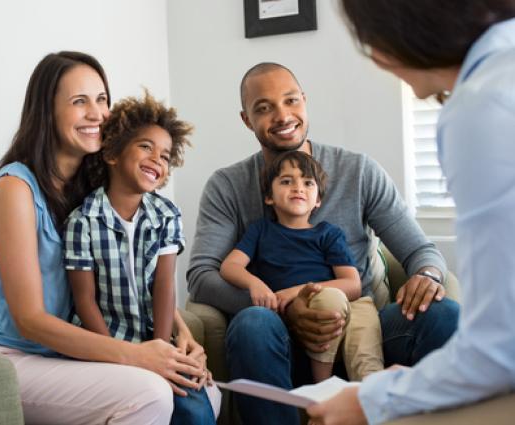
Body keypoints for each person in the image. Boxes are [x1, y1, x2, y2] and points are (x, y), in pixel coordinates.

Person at [186, 61, 460, 424]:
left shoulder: (359, 171)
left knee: (443, 314)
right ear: (246, 119)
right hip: (275, 333)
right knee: (253, 324)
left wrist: (429, 275)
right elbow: (202, 275)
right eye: (264, 108)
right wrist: (284, 307)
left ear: (305, 101)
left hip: (363, 324)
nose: (283, 115)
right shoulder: (228, 186)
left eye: (291, 101)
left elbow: (420, 251)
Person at [0, 51, 211, 425]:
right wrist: (137, 356)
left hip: (68, 355)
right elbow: (30, 320)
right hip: (10, 358)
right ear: (47, 112)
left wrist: (179, 339)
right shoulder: (15, 189)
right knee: (150, 394)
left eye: (102, 100)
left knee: (203, 391)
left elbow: (133, 279)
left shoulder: (92, 189)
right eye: (79, 101)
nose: (97, 113)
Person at [306, 1, 515, 424]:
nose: (373, 58)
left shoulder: (480, 107)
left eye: (366, 39)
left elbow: (498, 348)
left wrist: (378, 397)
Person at [63, 91, 220, 423]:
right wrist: (116, 356)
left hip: (155, 339)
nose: (156, 160)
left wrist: (162, 351)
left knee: (194, 400)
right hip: (103, 343)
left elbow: (164, 286)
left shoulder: (166, 215)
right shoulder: (82, 221)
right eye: (146, 147)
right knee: (174, 399)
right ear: (113, 153)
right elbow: (84, 300)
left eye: (165, 155)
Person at [220, 150, 383, 382]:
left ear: (317, 200)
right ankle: (321, 392)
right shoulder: (260, 230)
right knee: (328, 301)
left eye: (308, 183)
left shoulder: (328, 233)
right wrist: (254, 284)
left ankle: (368, 400)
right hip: (296, 317)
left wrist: (294, 292)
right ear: (269, 197)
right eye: (287, 181)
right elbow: (230, 266)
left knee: (363, 342)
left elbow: (352, 284)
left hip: (344, 307)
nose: (298, 188)